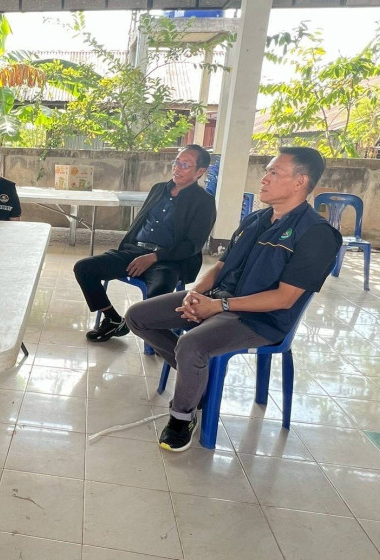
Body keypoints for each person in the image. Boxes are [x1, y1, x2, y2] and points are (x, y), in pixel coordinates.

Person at [126, 146, 342, 452]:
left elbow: (284, 298)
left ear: (300, 182)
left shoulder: (317, 234)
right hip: (219, 299)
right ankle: (197, 377)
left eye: (273, 172)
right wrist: (196, 293)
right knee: (138, 316)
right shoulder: (255, 219)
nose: (264, 178)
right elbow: (220, 267)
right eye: (267, 171)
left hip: (260, 319)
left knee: (191, 345)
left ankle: (182, 417)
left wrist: (220, 306)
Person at [74, 145, 217, 343]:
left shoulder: (204, 202)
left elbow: (192, 245)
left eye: (185, 165)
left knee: (158, 295)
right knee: (84, 268)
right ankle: (113, 320)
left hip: (168, 261)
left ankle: (161, 341)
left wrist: (154, 257)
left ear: (199, 172)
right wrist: (133, 250)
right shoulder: (159, 189)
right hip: (135, 251)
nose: (177, 168)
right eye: (176, 162)